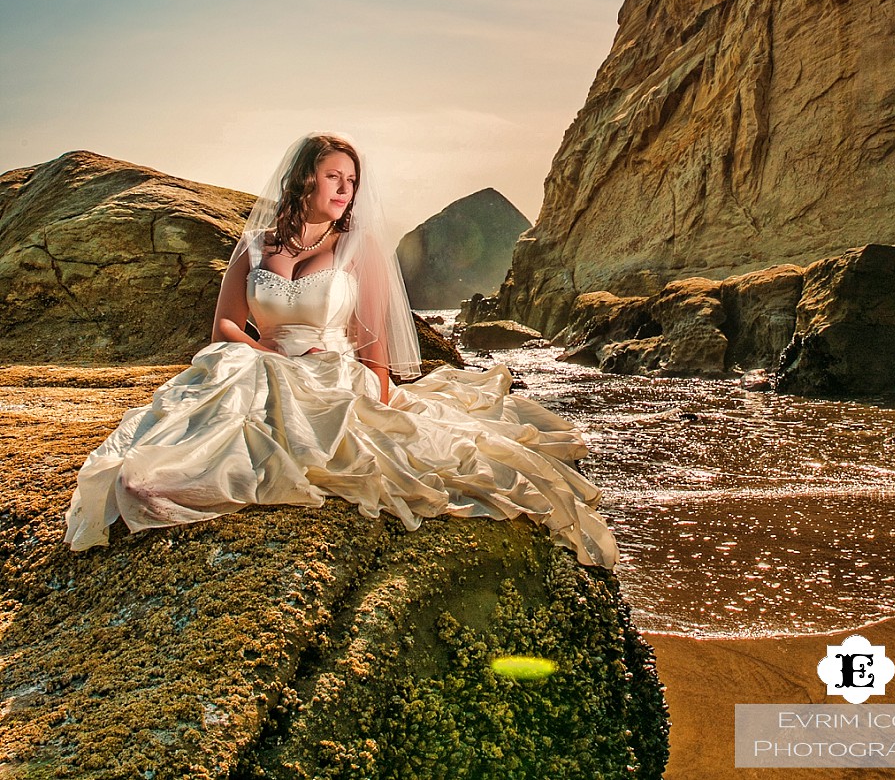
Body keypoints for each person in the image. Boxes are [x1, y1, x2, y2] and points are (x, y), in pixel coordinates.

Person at [65, 133, 618, 568]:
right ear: (304, 177)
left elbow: (374, 339)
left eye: (351, 180)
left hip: (331, 371)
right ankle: (173, 482)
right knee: (169, 449)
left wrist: (379, 396)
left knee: (350, 442)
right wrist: (268, 356)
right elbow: (227, 324)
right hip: (261, 362)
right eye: (333, 175)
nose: (344, 188)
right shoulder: (257, 245)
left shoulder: (359, 247)